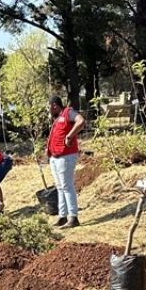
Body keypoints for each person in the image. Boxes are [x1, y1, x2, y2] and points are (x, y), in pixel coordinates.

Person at [46, 95, 85, 228]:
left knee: (67, 186)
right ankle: (62, 216)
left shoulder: (68, 113)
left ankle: (73, 217)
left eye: (49, 107)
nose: (48, 110)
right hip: (55, 158)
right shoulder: (56, 119)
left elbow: (80, 121)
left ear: (55, 106)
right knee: (60, 187)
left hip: (66, 157)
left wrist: (69, 136)